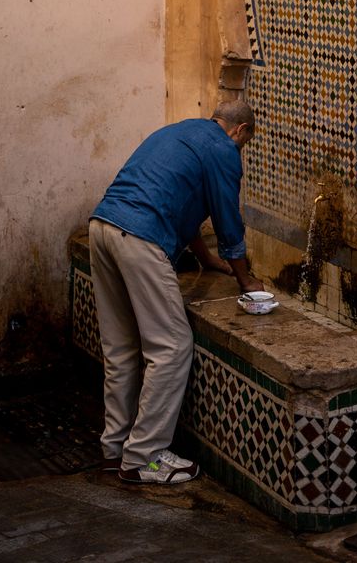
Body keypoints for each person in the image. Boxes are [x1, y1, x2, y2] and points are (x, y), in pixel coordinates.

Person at [88, 99, 263, 485]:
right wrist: (245, 280)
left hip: (103, 226)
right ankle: (144, 458)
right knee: (171, 346)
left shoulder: (180, 131)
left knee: (120, 348)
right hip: (140, 237)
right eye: (246, 141)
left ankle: (114, 448)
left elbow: (184, 207)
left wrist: (206, 259)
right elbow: (227, 219)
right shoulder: (223, 149)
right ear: (241, 131)